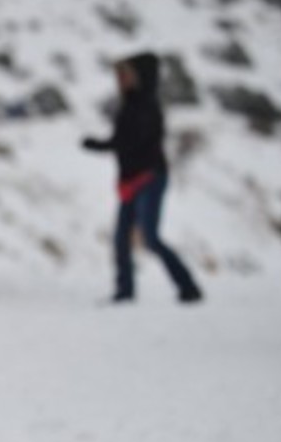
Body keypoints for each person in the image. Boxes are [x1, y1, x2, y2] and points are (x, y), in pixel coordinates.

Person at [82, 51, 202, 304]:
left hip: (149, 179)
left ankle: (188, 286)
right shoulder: (129, 105)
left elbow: (132, 141)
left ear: (139, 77)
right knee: (121, 238)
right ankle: (125, 290)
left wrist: (105, 146)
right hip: (130, 183)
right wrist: (100, 145)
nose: (120, 80)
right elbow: (122, 142)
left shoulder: (147, 106)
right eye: (119, 75)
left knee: (150, 237)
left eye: (125, 74)